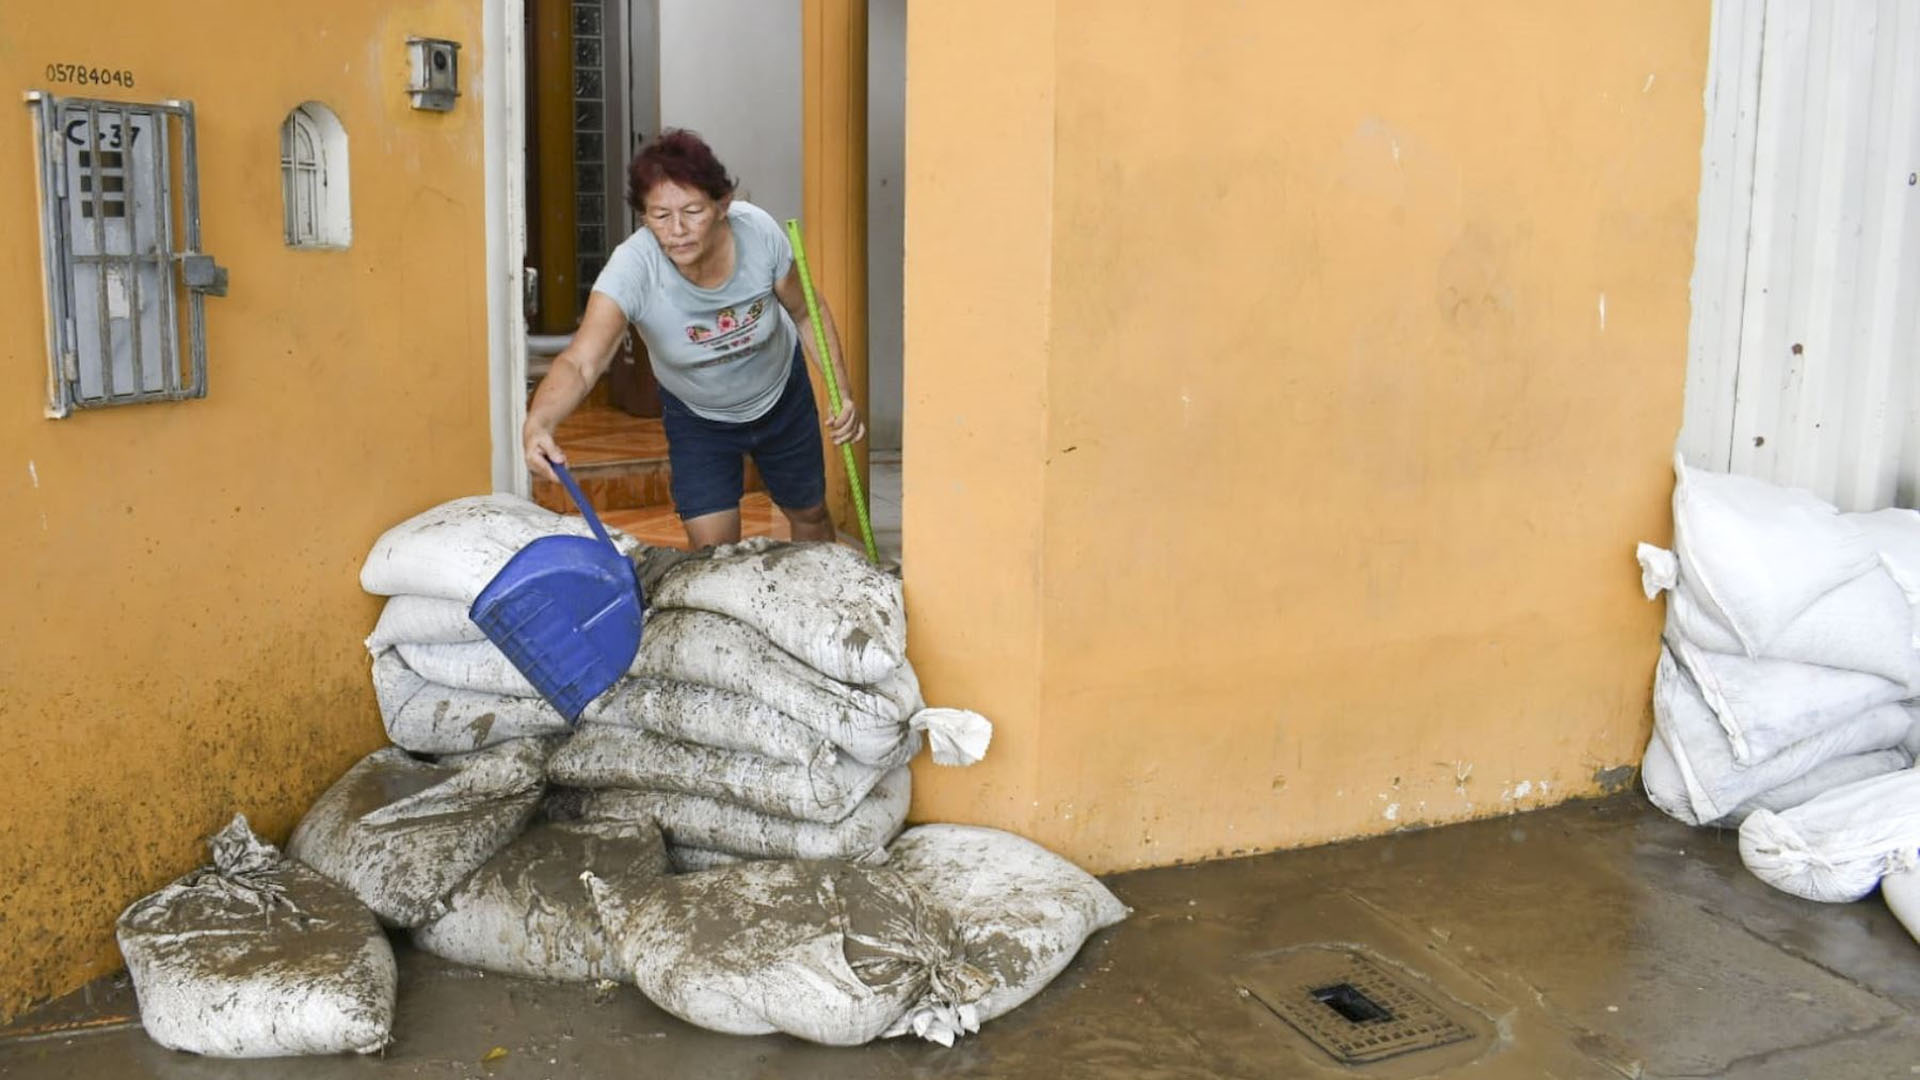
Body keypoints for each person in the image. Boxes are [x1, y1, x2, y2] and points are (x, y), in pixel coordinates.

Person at [523, 129, 864, 548]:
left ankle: (818, 605)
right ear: (644, 217)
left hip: (780, 398)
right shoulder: (633, 268)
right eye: (661, 215)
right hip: (699, 416)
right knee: (713, 551)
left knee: (809, 512)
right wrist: (539, 422)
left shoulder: (759, 235)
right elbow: (581, 362)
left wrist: (840, 392)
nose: (678, 230)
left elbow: (805, 312)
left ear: (723, 205)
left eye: (693, 210)